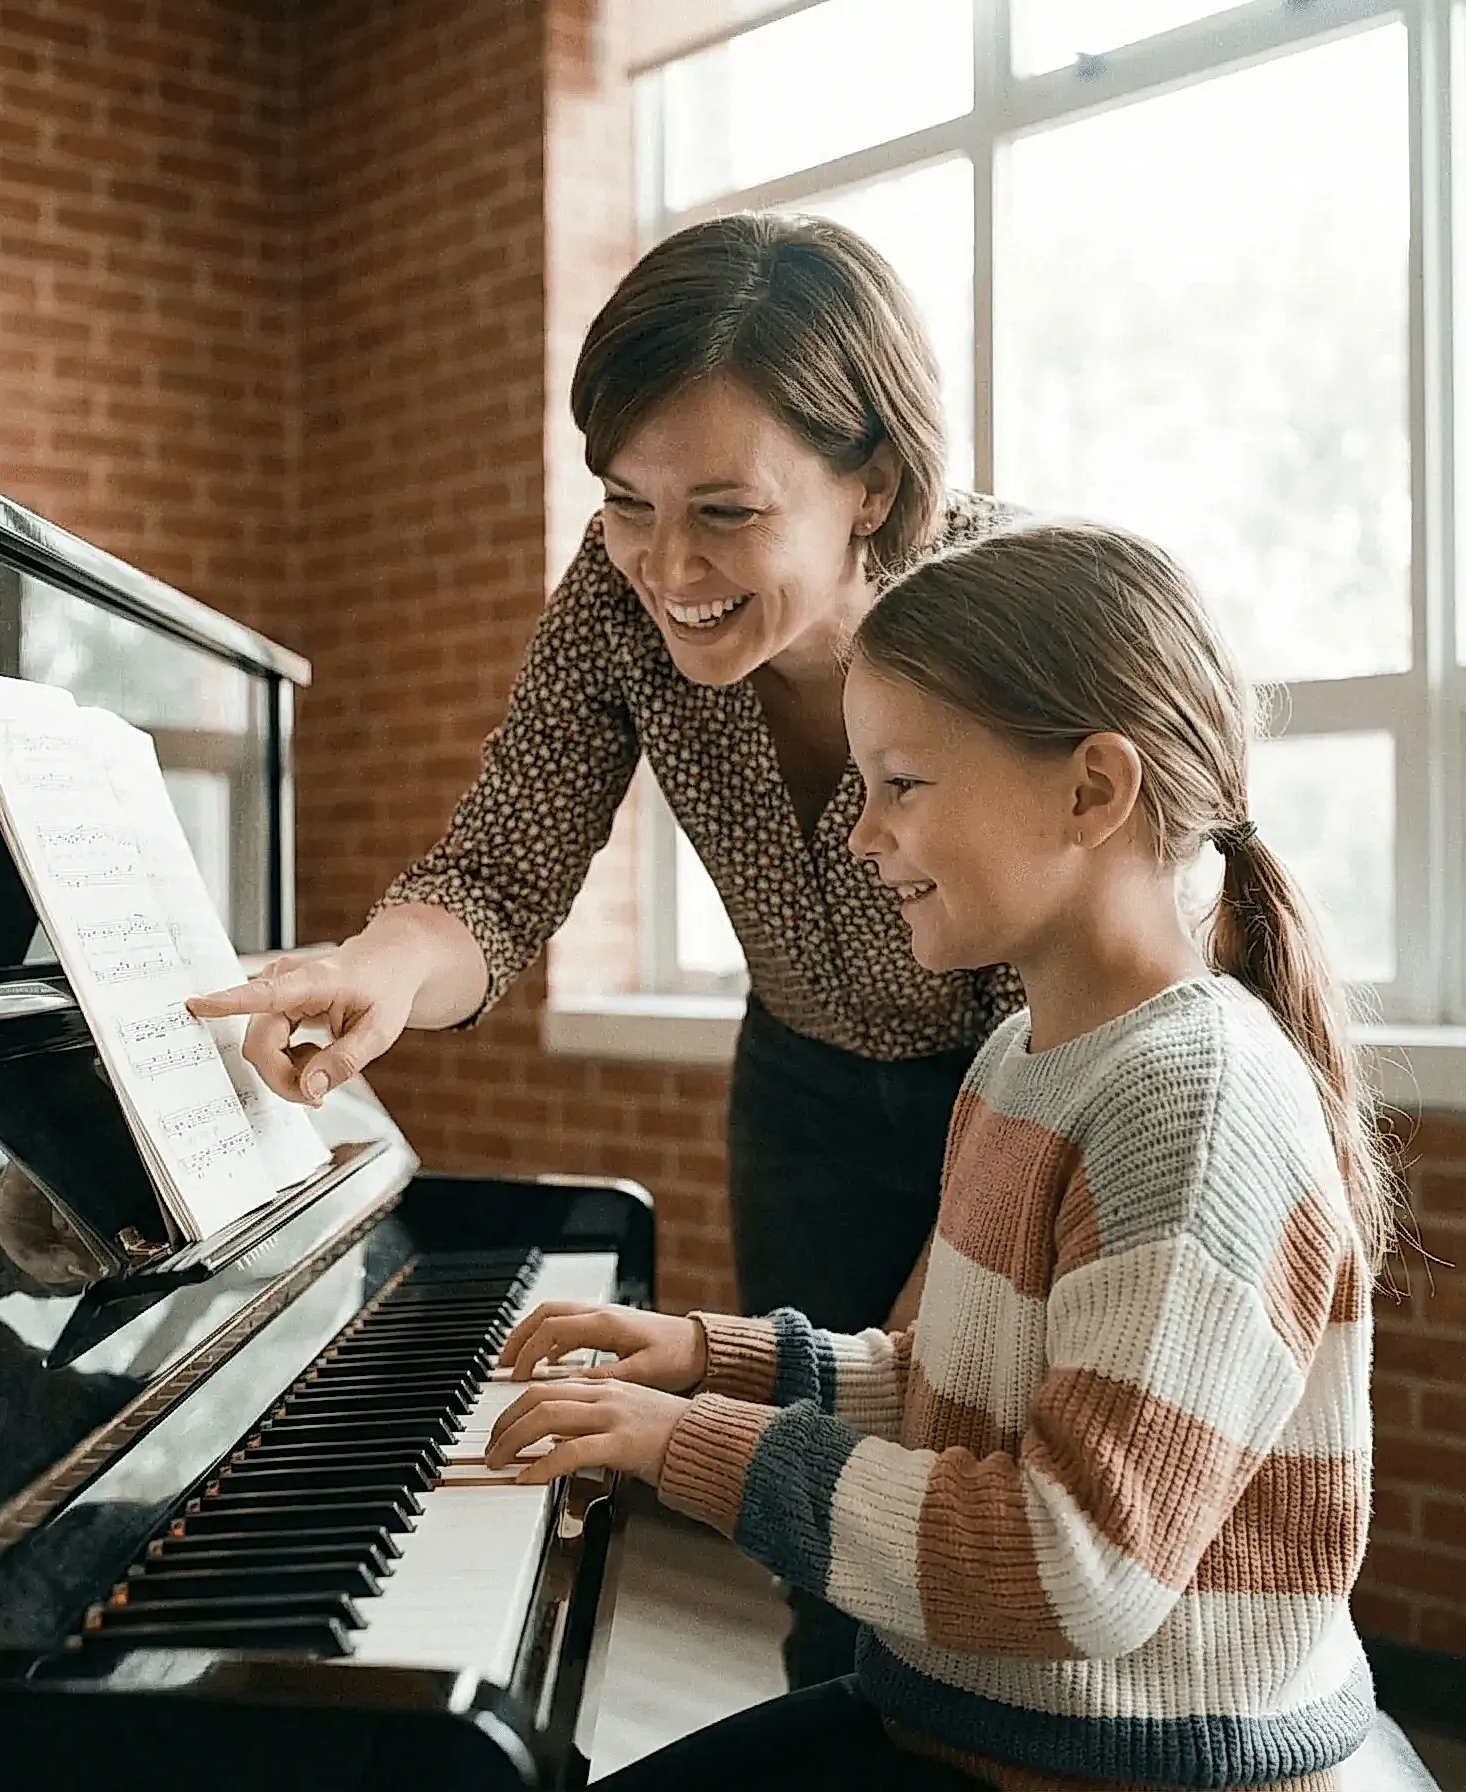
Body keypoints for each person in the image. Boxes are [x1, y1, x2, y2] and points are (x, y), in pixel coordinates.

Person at [188, 214, 1023, 1685]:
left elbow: (1079, 1003)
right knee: (822, 1567)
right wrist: (375, 971)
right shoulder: (616, 593)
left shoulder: (1014, 613)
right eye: (626, 502)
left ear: (874, 481)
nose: (664, 565)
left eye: (724, 512)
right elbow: (497, 873)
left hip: (1024, 1096)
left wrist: (917, 1326)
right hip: (806, 1092)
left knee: (952, 1499)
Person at [482, 521, 1403, 1791]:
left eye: (902, 786)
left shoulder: (1191, 1108)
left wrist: (685, 1443)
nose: (861, 839)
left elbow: (1075, 1563)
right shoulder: (1024, 1053)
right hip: (972, 1720)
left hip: (1122, 1767)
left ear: (1093, 789)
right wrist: (718, 1359)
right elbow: (957, 1387)